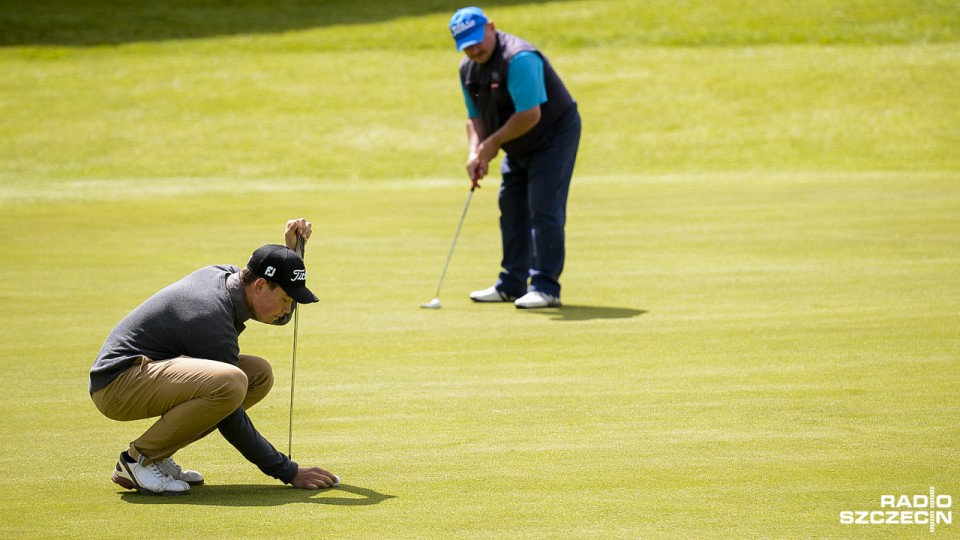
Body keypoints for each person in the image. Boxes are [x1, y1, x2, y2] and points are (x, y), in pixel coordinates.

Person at [89, 219, 339, 495]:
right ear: (259, 286)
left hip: (147, 373)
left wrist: (292, 255)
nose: (288, 309)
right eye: (285, 300)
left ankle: (156, 455)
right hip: (117, 386)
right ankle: (137, 460)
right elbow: (230, 417)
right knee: (230, 382)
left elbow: (274, 309)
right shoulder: (209, 314)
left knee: (257, 374)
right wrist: (287, 470)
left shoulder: (232, 279)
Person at [449, 6, 581, 309]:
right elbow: (475, 117)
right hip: (516, 141)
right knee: (510, 205)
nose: (473, 49)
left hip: (552, 136)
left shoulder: (518, 58)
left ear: (491, 27)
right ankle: (511, 284)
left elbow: (530, 114)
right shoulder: (467, 69)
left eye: (476, 39)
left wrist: (493, 143)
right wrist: (475, 151)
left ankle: (546, 287)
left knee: (543, 207)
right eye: (465, 44)